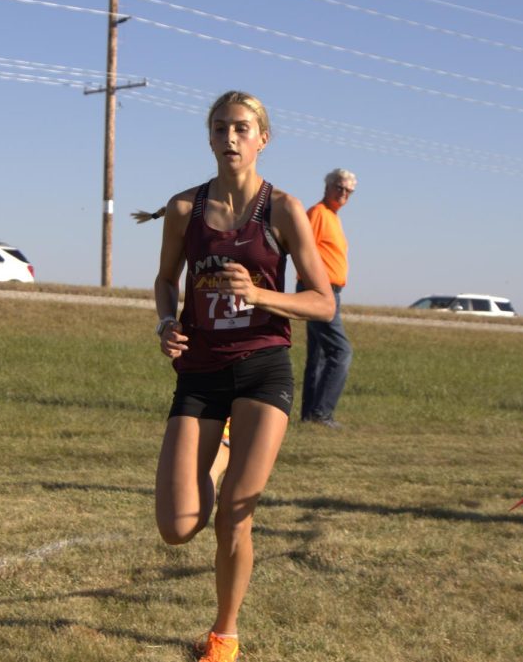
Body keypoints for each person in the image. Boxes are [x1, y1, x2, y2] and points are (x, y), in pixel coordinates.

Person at [153, 90, 335, 662]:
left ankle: (224, 634)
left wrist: (257, 293)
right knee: (178, 526)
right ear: (209, 138)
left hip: (262, 365)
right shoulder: (184, 209)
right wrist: (165, 322)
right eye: (220, 128)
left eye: (241, 128)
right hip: (200, 370)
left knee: (235, 510)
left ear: (262, 138)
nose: (230, 138)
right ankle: (224, 444)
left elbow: (323, 302)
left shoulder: (281, 208)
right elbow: (165, 280)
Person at [298, 168, 357, 428]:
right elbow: (302, 249)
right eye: (340, 188)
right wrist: (315, 288)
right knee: (341, 351)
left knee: (319, 355)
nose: (343, 194)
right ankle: (322, 414)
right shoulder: (318, 214)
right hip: (320, 291)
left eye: (348, 191)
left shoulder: (333, 216)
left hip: (329, 291)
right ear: (328, 186)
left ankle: (311, 415)